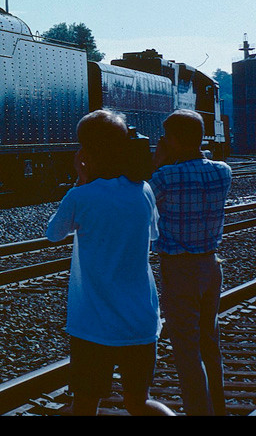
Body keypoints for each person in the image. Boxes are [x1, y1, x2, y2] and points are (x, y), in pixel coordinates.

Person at [46, 109, 173, 416]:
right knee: (138, 403)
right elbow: (153, 236)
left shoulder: (81, 197)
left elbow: (53, 234)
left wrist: (80, 179)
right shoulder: (143, 191)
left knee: (86, 405)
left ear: (84, 153)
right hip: (140, 320)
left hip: (92, 324)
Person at [150, 109, 231, 416]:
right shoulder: (223, 171)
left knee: (186, 350)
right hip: (212, 266)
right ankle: (218, 409)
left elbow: (146, 204)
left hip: (179, 269)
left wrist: (158, 163)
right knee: (209, 342)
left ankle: (200, 411)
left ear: (171, 140)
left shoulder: (164, 177)